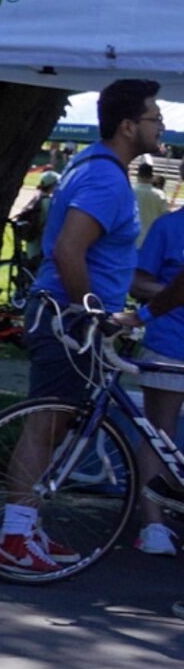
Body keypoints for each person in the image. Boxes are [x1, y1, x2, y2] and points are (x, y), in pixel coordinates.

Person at [0, 79, 166, 573]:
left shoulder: (96, 166)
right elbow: (69, 250)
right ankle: (13, 537)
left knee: (58, 426)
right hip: (69, 320)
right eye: (154, 117)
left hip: (69, 316)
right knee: (46, 426)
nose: (162, 126)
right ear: (129, 125)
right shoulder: (106, 179)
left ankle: (28, 529)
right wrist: (92, 312)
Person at [131, 202, 184, 556]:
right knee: (158, 432)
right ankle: (153, 525)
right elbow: (137, 281)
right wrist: (167, 295)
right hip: (169, 343)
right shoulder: (168, 227)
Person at [135, 156, 169, 230]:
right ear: (151, 177)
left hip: (132, 236)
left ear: (137, 176)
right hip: (153, 234)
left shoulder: (129, 192)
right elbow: (166, 216)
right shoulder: (160, 195)